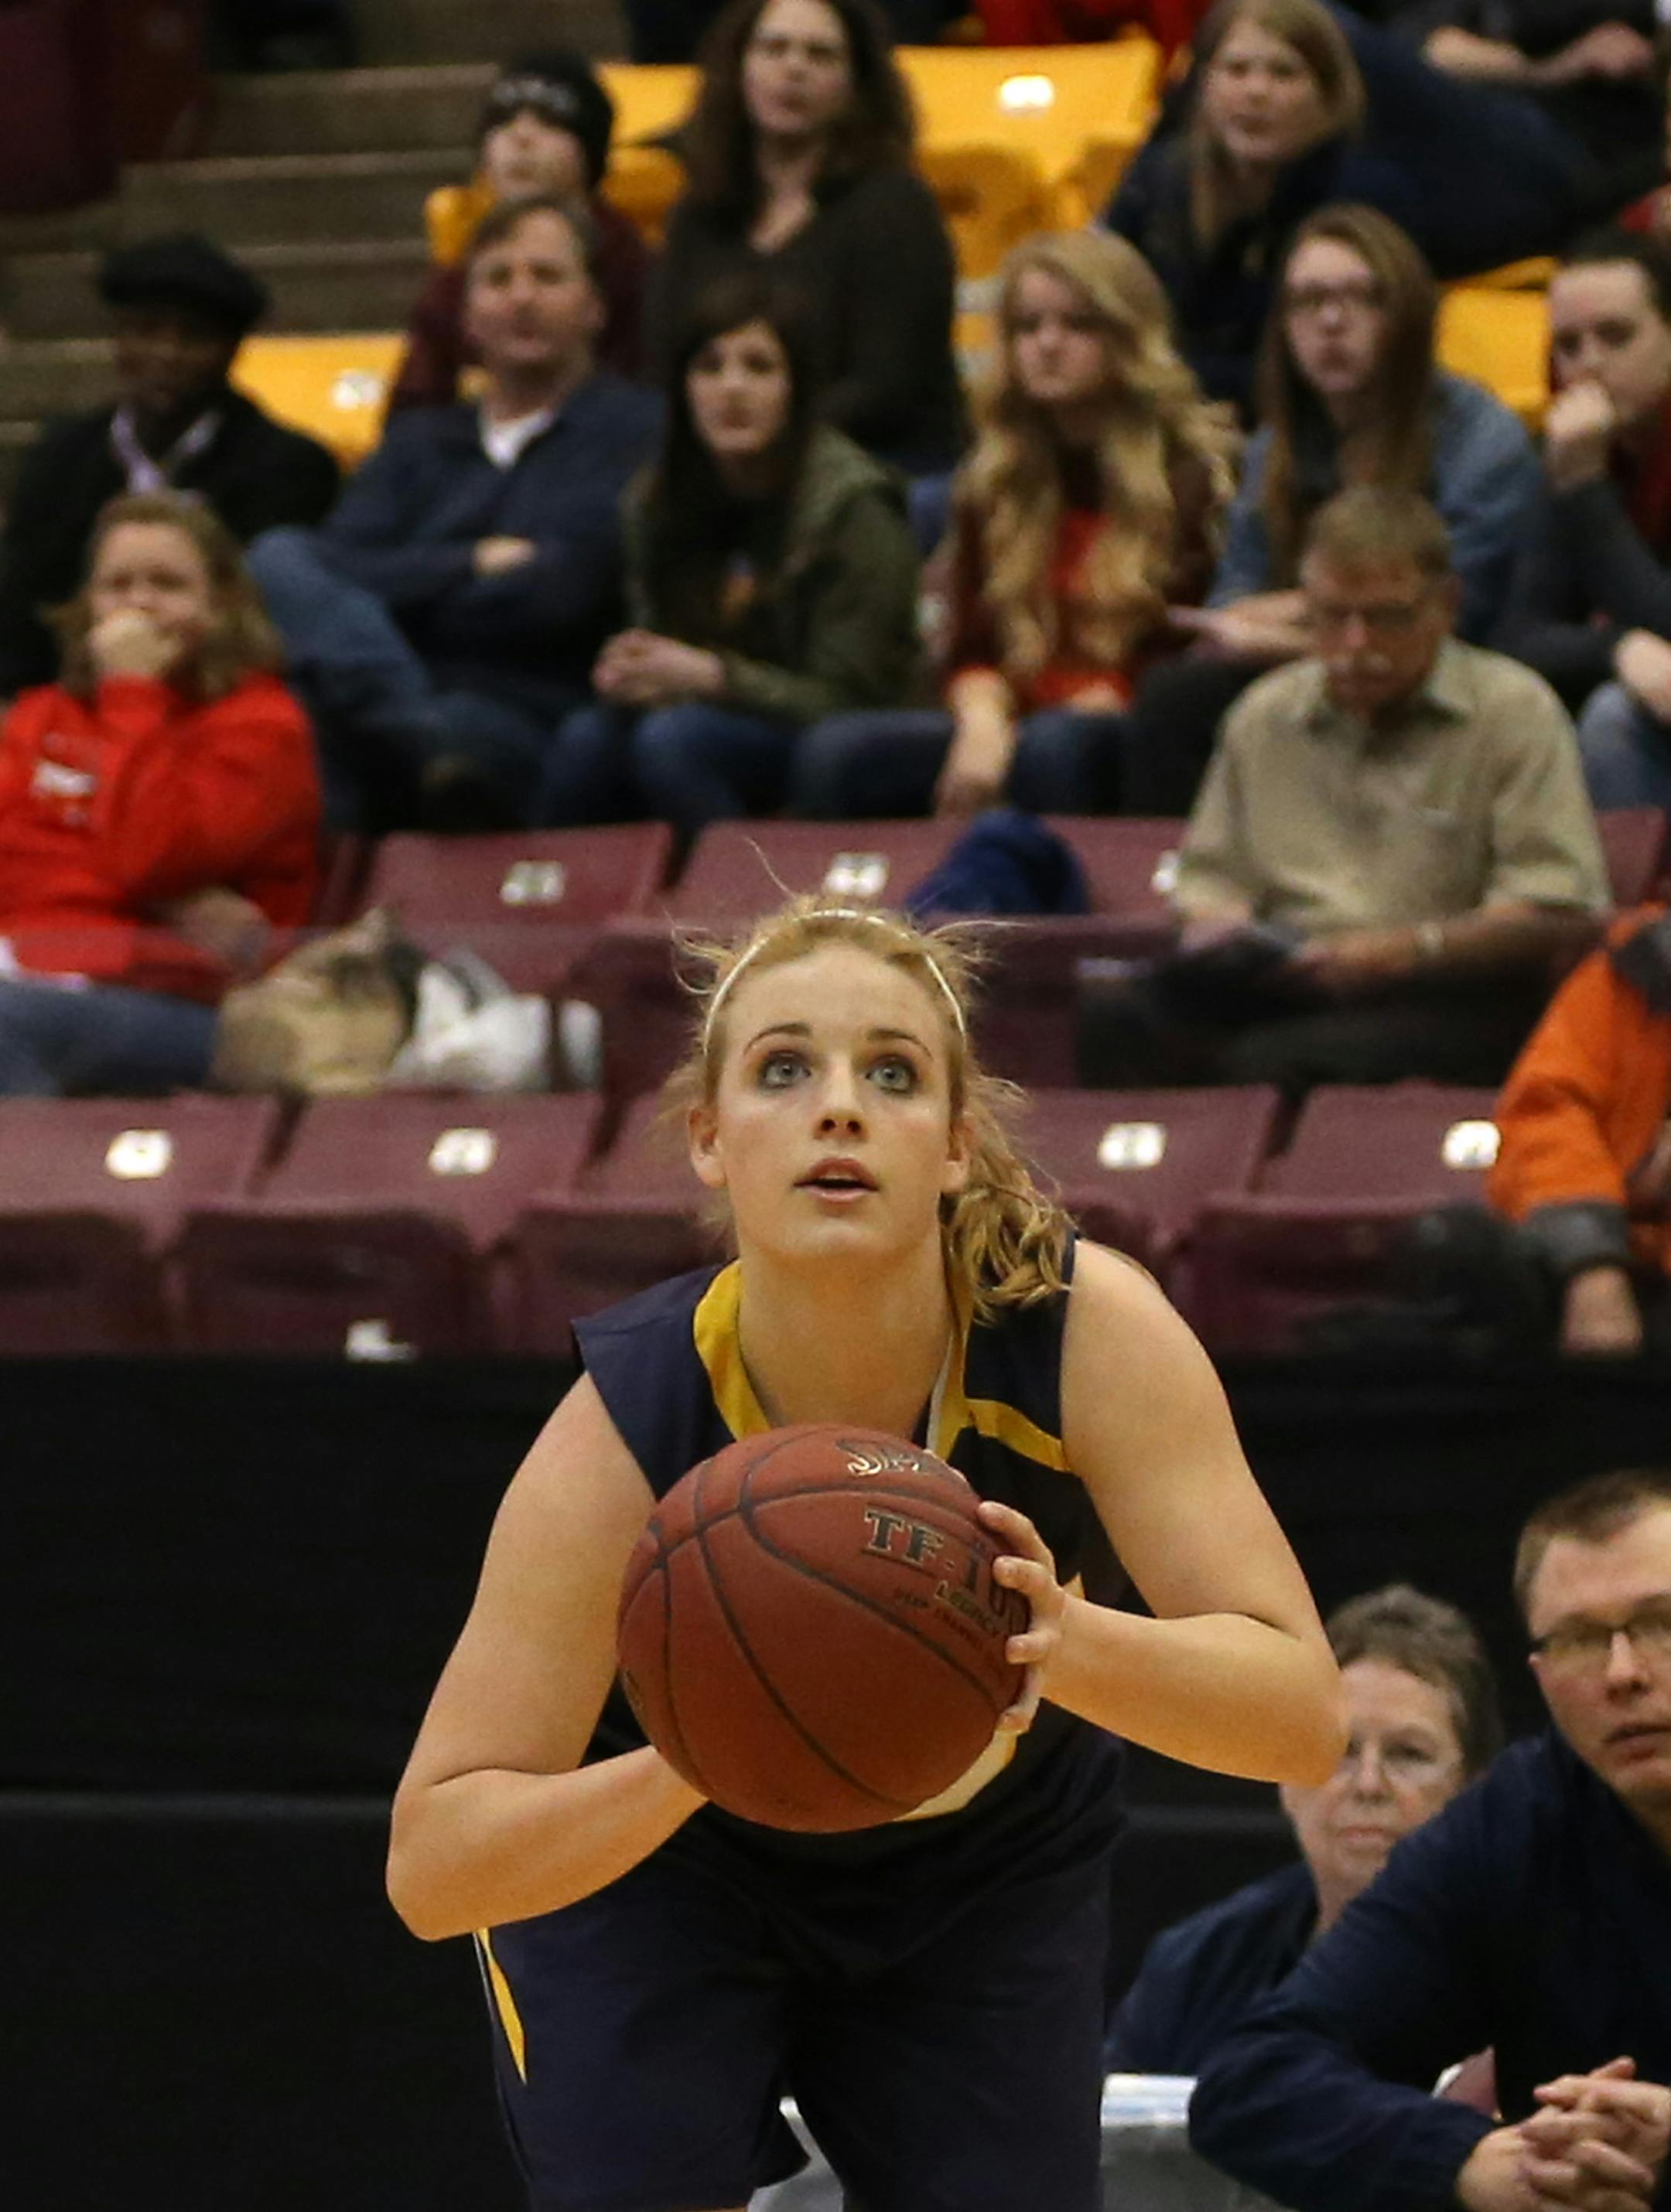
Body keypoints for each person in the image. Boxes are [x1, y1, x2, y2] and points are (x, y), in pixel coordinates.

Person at [385, 896, 1348, 2212]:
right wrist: (695, 1758)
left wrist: (1062, 1638)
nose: (839, 1106)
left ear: (956, 1144)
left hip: (982, 1868)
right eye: (785, 1067)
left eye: (890, 1073)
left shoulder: (1084, 1330)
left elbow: (1301, 1718)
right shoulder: (631, 1417)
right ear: (713, 1141)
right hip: (674, 1869)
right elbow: (436, 1866)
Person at [1190, 1465, 1671, 2212]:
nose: (1624, 1672)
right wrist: (1476, 2160)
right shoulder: (1515, 1822)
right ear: (1540, 1676)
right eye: (1579, 1638)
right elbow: (1255, 2079)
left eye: (1661, 1622)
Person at [1078, 487, 1611, 1096]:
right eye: (1331, 618)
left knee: (1272, 1058)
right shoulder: (1266, 713)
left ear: (1446, 605)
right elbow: (1210, 879)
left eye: (1386, 618)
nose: (1356, 645)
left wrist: (1403, 951)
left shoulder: (1513, 710)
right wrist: (1221, 927)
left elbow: (1558, 910)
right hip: (1291, 977)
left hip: (1446, 988)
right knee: (1116, 1013)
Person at [791, 229, 1236, 821]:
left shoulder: (1191, 478)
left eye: (1078, 326)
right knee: (836, 754)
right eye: (1028, 327)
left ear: (1129, 337)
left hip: (1122, 720)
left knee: (1054, 751)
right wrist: (983, 725)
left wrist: (1068, 713)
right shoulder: (995, 478)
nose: (1048, 346)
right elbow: (973, 647)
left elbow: (1183, 649)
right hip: (1013, 714)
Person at [247, 196, 659, 833]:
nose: (521, 297)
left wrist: (402, 591)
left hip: (531, 708)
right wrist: (470, 561)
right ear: (468, 317)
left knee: (431, 724)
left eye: (547, 276)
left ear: (594, 307)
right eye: (498, 279)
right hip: (405, 698)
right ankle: (415, 733)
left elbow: (559, 595)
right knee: (275, 560)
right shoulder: (419, 440)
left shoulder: (637, 431)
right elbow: (333, 570)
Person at [1120, 202, 1539, 816]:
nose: (1332, 322)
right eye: (1308, 302)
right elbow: (1232, 602)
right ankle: (1182, 887)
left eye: (1362, 298)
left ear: (1409, 315)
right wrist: (1297, 629)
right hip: (1306, 670)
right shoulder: (1278, 446)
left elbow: (1453, 611)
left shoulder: (1481, 437)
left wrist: (1293, 620)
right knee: (1175, 695)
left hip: (1444, 673)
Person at [541, 275, 921, 839]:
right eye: (710, 367)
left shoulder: (853, 504)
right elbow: (658, 636)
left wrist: (714, 677)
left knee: (674, 741)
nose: (732, 388)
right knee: (586, 740)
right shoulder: (656, 501)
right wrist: (634, 668)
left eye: (759, 367)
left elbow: (851, 695)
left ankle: (746, 909)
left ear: (797, 387)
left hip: (834, 727)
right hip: (715, 710)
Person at [1108, 1583, 1502, 2074]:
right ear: (1285, 1777)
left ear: (1475, 1791)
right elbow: (1114, 2145)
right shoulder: (1197, 1964)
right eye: (1340, 1751)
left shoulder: (1538, 1971)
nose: (1369, 1784)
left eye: (1409, 1754)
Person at [0, 492, 319, 1096]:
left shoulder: (264, 726)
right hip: (31, 965)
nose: (139, 605)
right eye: (118, 585)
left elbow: (155, 854)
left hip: (184, 1002)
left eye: (168, 584)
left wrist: (132, 692)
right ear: (89, 605)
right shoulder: (43, 716)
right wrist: (160, 900)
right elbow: (12, 859)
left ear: (221, 604)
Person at [0, 232, 340, 701]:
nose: (166, 354)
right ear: (117, 338)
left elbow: (274, 619)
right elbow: (24, 603)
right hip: (71, 701)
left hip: (226, 702)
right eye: (146, 330)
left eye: (193, 337)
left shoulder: (289, 467)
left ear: (232, 351)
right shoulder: (60, 457)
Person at [646, 0, 964, 477]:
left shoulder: (897, 208)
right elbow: (665, 359)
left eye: (820, 55)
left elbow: (887, 385)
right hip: (722, 469)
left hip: (874, 468)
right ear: (739, 68)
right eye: (775, 49)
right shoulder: (699, 211)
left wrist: (765, 438)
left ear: (855, 82)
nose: (794, 69)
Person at [1104, 0, 1420, 417]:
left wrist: (1160, 375)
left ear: (1329, 95)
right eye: (1236, 71)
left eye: (1284, 73)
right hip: (1166, 416)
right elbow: (1098, 290)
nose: (1256, 92)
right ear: (1204, 84)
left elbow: (1343, 363)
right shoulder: (1161, 175)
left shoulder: (1368, 199)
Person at [1495, 230, 1671, 812]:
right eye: (1568, 345)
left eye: (1616, 336)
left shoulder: (1581, 464)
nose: (1589, 365)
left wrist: (1587, 492)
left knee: (1612, 719)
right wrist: (1615, 648)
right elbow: (1519, 640)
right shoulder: (1577, 452)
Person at [388, 52, 648, 408]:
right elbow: (413, 412)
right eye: (504, 123)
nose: (522, 138)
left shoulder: (632, 270)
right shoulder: (457, 276)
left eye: (550, 123)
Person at [1488, 904, 1671, 1357]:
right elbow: (1545, 1116)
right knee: (1456, 1252)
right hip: (1621, 1261)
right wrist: (1591, 1263)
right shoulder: (1635, 967)